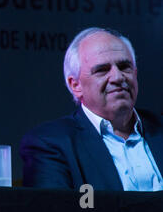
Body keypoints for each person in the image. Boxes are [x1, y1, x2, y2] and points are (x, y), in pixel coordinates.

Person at [20, 27, 163, 191]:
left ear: (135, 74)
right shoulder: (50, 144)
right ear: (76, 85)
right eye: (102, 70)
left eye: (124, 67)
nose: (117, 77)